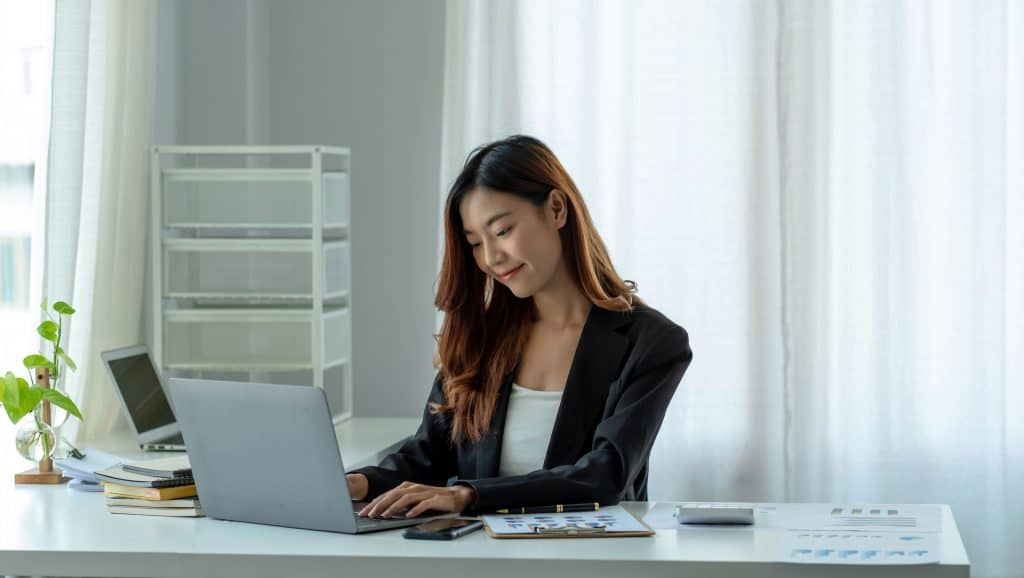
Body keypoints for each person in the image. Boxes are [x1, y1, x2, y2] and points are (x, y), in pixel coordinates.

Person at [346, 135, 692, 519]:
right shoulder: (482, 336)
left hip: (592, 557)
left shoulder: (652, 343)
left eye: (502, 231)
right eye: (475, 243)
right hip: (483, 558)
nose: (492, 257)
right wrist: (360, 482)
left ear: (557, 209)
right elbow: (429, 455)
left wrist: (468, 495)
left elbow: (606, 475)